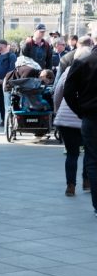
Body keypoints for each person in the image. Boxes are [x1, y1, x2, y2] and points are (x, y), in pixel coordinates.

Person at [63, 45, 97, 217]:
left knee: (93, 158)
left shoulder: (82, 62)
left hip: (91, 116)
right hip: (89, 116)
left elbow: (67, 92)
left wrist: (81, 111)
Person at [54, 47, 92, 197]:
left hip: (65, 118)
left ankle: (70, 186)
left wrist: (57, 111)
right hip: (85, 117)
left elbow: (58, 91)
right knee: (89, 151)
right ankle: (86, 181)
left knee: (72, 154)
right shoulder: (92, 71)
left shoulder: (69, 70)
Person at [0, 39, 16, 126]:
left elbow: (12, 69)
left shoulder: (11, 56)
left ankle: (10, 122)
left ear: (3, 46)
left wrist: (4, 80)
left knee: (7, 102)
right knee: (0, 103)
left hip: (7, 84)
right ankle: (4, 120)